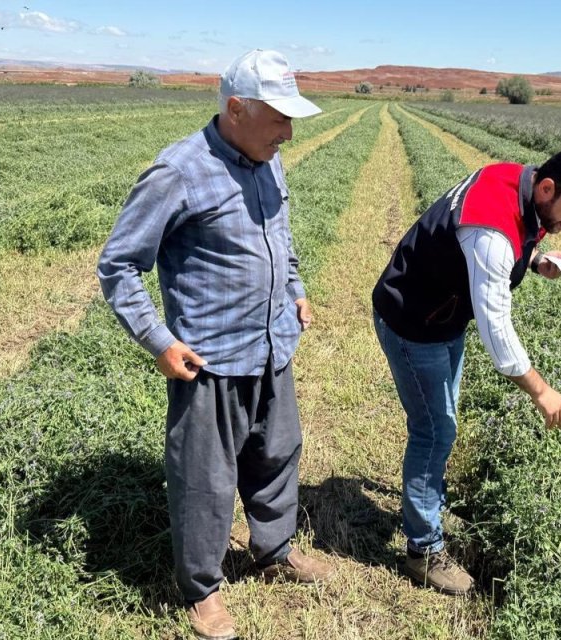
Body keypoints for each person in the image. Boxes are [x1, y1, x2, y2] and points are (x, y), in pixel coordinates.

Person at [97, 49, 329, 640]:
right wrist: (157, 340)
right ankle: (202, 590)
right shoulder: (179, 171)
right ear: (236, 108)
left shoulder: (269, 161)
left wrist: (295, 289)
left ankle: (274, 550)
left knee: (278, 454)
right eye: (278, 116)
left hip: (274, 344)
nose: (288, 130)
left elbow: (281, 236)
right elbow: (119, 265)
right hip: (211, 357)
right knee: (205, 478)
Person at [371, 148, 561, 595]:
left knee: (441, 424)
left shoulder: (517, 180)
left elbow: (521, 230)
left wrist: (538, 259)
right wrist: (541, 391)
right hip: (413, 322)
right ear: (547, 188)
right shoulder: (491, 232)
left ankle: (429, 505)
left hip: (441, 316)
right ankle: (423, 551)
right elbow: (497, 328)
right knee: (434, 430)